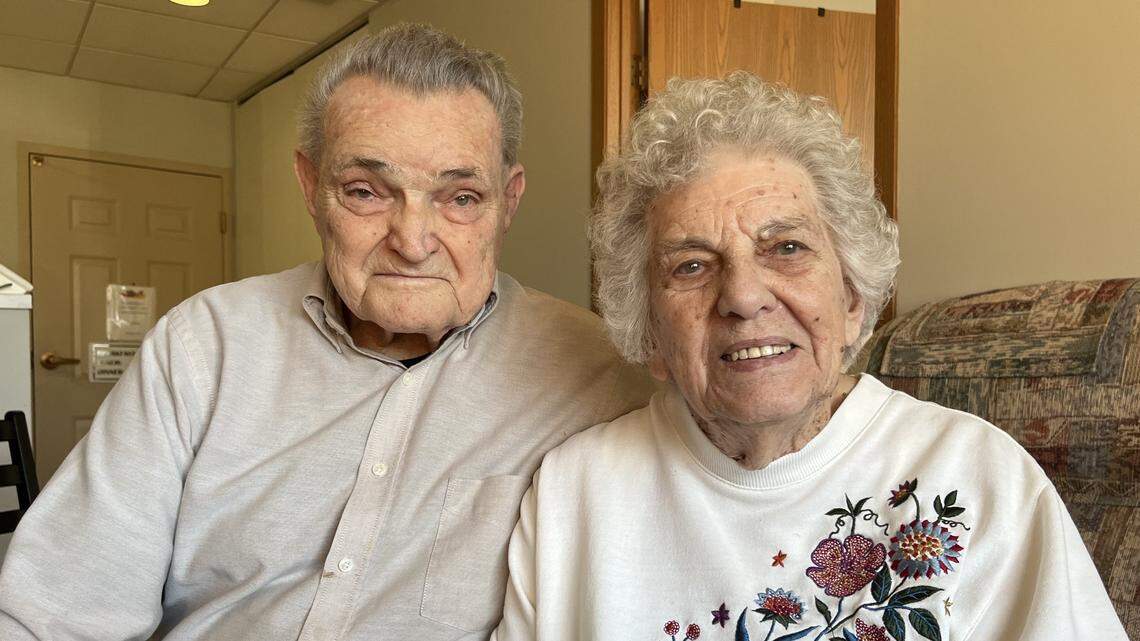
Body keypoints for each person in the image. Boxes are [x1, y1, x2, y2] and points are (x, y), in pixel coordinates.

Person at [0, 24, 653, 640]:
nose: (413, 241)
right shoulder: (203, 349)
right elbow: (55, 614)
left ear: (506, 202)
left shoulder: (598, 374)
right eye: (367, 190)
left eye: (459, 197)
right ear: (311, 186)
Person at [493, 72, 1128, 641]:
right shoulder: (575, 493)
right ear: (649, 333)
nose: (742, 297)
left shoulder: (979, 479)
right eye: (691, 265)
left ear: (852, 294)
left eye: (787, 248)